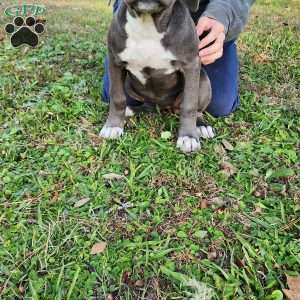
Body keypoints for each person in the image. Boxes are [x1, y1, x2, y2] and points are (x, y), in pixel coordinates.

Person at [101, 0, 255, 117]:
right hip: (131, 13)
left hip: (201, 14)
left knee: (218, 103)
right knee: (117, 96)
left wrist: (223, 12)